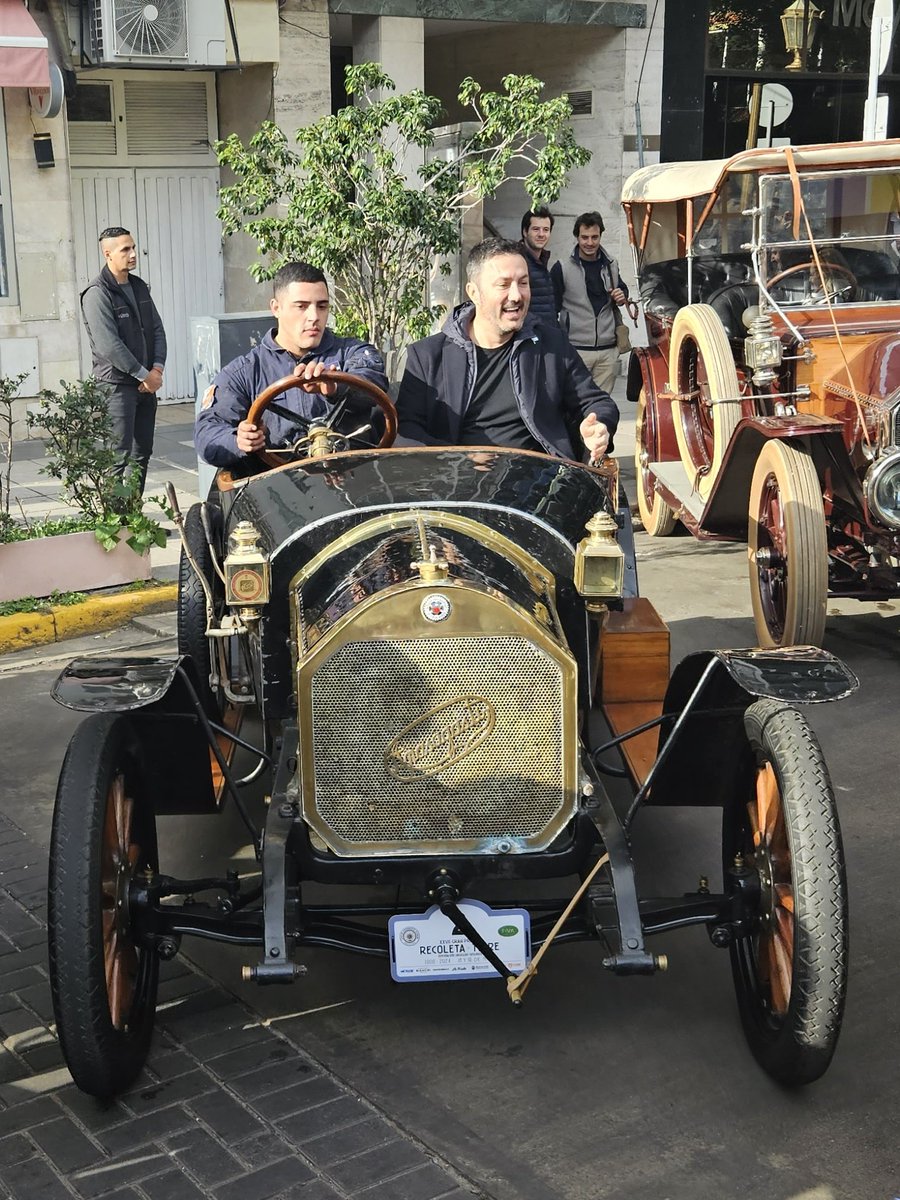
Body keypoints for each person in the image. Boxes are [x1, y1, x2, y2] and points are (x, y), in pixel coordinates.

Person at [395, 237, 618, 463]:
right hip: (457, 484)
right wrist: (460, 459)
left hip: (539, 481)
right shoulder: (428, 356)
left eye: (523, 283)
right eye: (503, 285)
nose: (516, 295)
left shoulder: (551, 344)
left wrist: (599, 426)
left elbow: (596, 401)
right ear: (474, 293)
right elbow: (406, 431)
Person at [195, 261, 388, 468]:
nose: (314, 317)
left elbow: (373, 382)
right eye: (301, 306)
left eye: (322, 306)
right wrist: (238, 440)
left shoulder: (352, 352)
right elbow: (208, 431)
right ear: (276, 308)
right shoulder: (245, 372)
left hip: (352, 481)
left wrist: (335, 388)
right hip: (277, 488)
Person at [80, 226, 167, 492]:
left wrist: (157, 369)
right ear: (108, 254)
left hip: (146, 385)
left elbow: (156, 330)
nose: (132, 254)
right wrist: (144, 375)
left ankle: (134, 519)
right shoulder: (97, 293)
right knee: (117, 457)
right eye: (125, 249)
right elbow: (109, 346)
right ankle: (116, 527)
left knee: (142, 454)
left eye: (133, 247)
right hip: (116, 387)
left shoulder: (139, 287)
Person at [551, 211, 629, 395]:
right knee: (574, 406)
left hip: (608, 351)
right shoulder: (562, 267)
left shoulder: (612, 264)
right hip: (576, 349)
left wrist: (621, 295)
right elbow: (551, 308)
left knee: (601, 408)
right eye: (584, 237)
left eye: (594, 237)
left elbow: (622, 289)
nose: (589, 242)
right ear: (577, 237)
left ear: (601, 235)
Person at [518, 206, 556, 324]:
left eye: (546, 229)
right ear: (525, 231)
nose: (541, 234)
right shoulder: (518, 261)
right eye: (536, 229)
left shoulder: (542, 261)